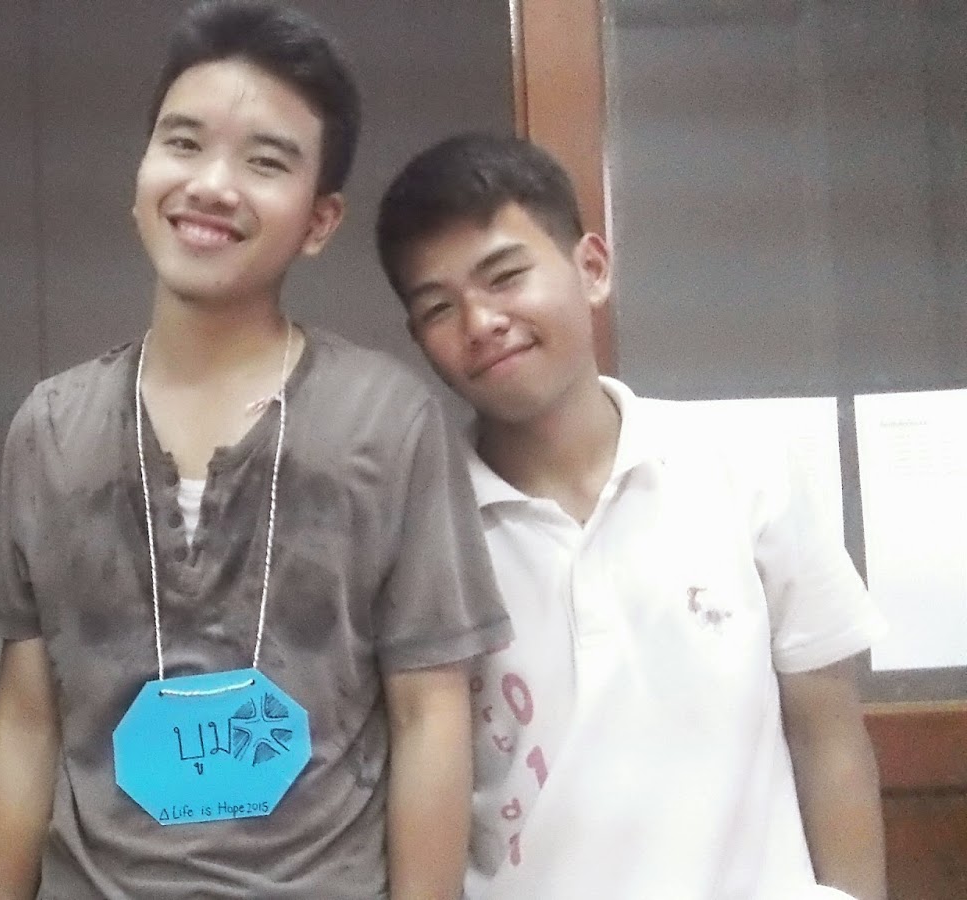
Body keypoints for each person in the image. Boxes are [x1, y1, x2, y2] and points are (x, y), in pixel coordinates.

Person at [0, 3, 510, 898]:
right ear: (141, 174)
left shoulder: (387, 421)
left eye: (265, 162)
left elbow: (430, 716)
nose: (212, 185)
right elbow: (28, 718)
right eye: (183, 144)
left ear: (320, 220)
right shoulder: (51, 427)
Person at [375, 132, 888, 900]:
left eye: (505, 277)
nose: (480, 322)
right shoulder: (417, 529)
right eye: (439, 308)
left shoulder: (746, 466)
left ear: (591, 268)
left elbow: (828, 734)